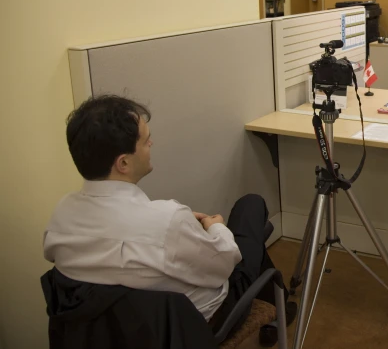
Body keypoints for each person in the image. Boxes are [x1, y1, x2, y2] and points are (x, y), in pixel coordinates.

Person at [43, 95, 292, 336]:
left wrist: (180, 228)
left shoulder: (61, 215)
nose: (151, 144)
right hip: (193, 326)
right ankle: (282, 307)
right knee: (251, 208)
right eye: (145, 141)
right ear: (123, 163)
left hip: (113, 335)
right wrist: (214, 228)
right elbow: (226, 264)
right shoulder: (168, 220)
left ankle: (284, 308)